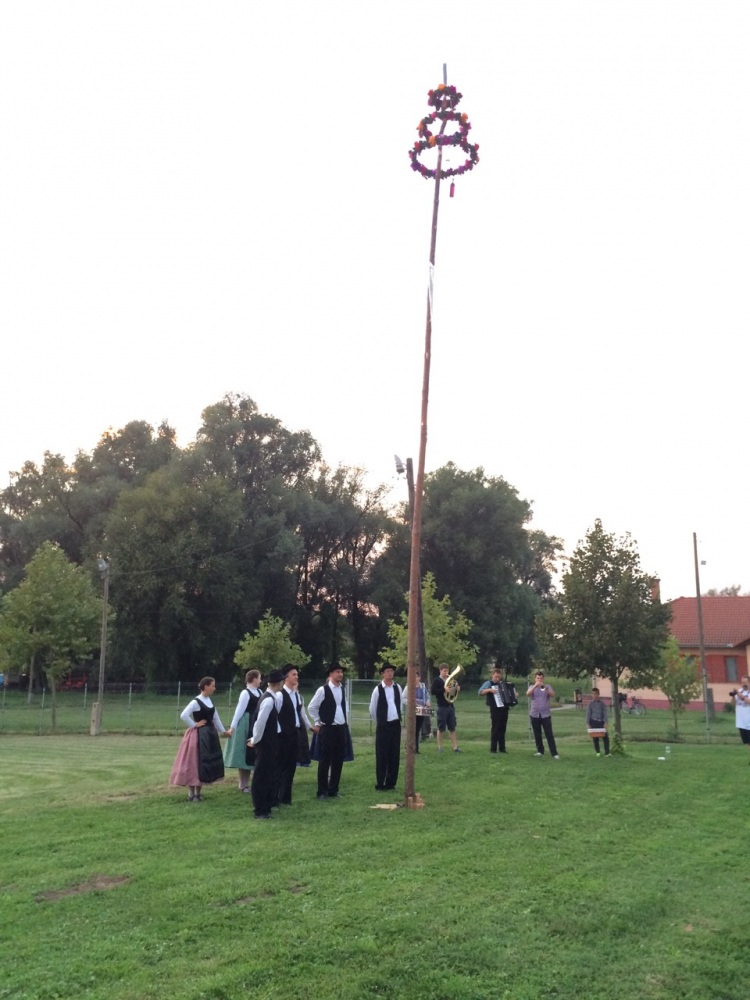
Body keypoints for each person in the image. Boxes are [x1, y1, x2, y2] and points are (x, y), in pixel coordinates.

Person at [170, 677, 229, 801]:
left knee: (203, 763)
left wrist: (223, 731)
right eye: (212, 686)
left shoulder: (209, 701)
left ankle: (198, 793)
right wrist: (194, 725)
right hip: (197, 736)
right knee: (194, 762)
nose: (214, 688)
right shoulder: (196, 702)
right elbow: (184, 715)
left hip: (209, 735)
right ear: (206, 686)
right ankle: (191, 793)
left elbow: (215, 718)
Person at [308, 662, 353, 799]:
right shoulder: (323, 690)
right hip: (328, 728)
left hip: (340, 727)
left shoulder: (341, 689)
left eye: (341, 672)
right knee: (325, 760)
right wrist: (318, 721)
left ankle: (333, 789)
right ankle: (322, 791)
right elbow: (312, 707)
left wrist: (344, 720)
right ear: (331, 674)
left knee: (338, 759)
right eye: (337, 672)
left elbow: (344, 706)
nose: (340, 674)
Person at [247, 668, 284, 820]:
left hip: (269, 742)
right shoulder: (268, 700)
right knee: (261, 776)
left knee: (268, 774)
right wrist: (255, 740)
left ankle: (266, 806)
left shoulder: (271, 698)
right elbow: (259, 723)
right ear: (279, 683)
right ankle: (260, 810)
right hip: (265, 743)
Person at [276, 665, 314, 805]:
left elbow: (301, 714)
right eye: (294, 674)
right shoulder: (280, 695)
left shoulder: (297, 695)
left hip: (295, 733)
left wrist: (308, 727)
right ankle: (275, 797)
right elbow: (275, 716)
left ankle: (286, 798)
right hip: (283, 736)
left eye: (297, 674)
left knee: (291, 766)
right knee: (280, 766)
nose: (296, 677)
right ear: (286, 678)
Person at [224, 669, 263, 792]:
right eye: (259, 678)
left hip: (255, 723)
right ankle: (243, 784)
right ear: (254, 679)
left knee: (252, 754)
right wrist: (233, 727)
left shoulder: (260, 692)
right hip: (246, 724)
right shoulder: (245, 693)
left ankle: (248, 784)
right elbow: (239, 711)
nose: (261, 680)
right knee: (244, 754)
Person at [369, 663, 403, 791]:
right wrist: (380, 721)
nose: (390, 673)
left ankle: (391, 783)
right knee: (382, 754)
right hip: (383, 725)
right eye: (387, 671)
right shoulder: (378, 689)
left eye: (392, 671)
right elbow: (372, 708)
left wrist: (398, 716)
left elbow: (399, 704)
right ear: (382, 674)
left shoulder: (397, 687)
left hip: (395, 724)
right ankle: (380, 783)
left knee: (394, 754)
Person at [526, 670, 559, 759]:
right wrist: (535, 686)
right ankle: (540, 751)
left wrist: (545, 687)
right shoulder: (532, 687)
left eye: (541, 678)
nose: (539, 680)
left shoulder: (547, 686)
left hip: (545, 715)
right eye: (538, 678)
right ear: (535, 679)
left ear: (543, 679)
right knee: (537, 734)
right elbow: (528, 694)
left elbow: (552, 694)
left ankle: (554, 753)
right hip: (534, 714)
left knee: (549, 734)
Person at [478, 667, 509, 753]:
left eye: (499, 677)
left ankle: (502, 748)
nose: (497, 679)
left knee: (503, 728)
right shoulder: (489, 683)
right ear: (492, 675)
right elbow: (480, 692)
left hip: (504, 708)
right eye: (496, 677)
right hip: (495, 708)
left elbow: (509, 694)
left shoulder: (503, 684)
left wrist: (514, 695)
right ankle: (493, 748)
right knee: (495, 728)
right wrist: (489, 690)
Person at [431, 663, 461, 752]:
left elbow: (453, 693)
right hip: (442, 707)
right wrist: (444, 689)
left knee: (452, 727)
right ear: (440, 671)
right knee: (441, 728)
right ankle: (440, 747)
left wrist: (456, 689)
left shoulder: (451, 680)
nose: (446, 672)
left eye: (447, 671)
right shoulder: (437, 680)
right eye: (444, 671)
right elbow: (433, 691)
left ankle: (455, 747)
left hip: (450, 706)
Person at [586, 687, 610, 756]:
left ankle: (607, 752)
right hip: (593, 721)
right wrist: (587, 723)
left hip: (601, 722)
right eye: (593, 694)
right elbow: (588, 713)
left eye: (595, 694)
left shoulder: (602, 704)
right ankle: (598, 752)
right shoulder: (590, 704)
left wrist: (606, 722)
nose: (594, 695)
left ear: (598, 694)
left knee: (605, 737)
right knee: (595, 737)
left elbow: (605, 713)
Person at [733, 675, 750, 762]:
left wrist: (742, 697)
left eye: (745, 682)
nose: (743, 684)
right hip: (741, 722)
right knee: (747, 742)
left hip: (749, 722)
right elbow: (733, 703)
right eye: (742, 682)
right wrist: (733, 696)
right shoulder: (739, 691)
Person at [414, 670, 431, 752]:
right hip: (413, 711)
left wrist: (428, 702)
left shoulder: (423, 687)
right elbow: (404, 698)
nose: (415, 678)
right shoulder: (408, 687)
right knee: (412, 729)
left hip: (422, 710)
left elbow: (427, 696)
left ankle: (416, 748)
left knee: (417, 729)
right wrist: (414, 703)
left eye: (416, 676)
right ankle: (410, 747)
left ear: (419, 677)